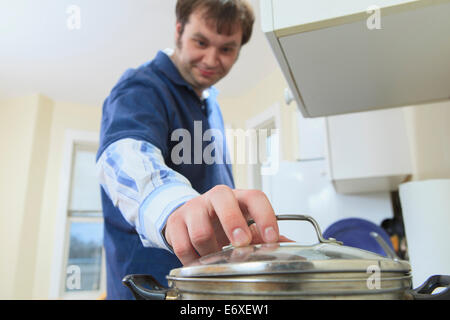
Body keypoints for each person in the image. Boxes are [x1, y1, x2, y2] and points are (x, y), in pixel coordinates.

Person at [96, 0, 283, 300]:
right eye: (201, 41)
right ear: (179, 31)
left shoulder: (213, 108)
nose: (211, 59)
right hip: (153, 289)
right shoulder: (142, 87)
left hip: (208, 290)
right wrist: (173, 207)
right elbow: (123, 155)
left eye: (226, 49)